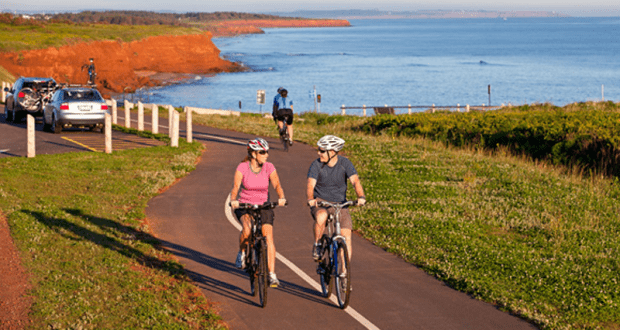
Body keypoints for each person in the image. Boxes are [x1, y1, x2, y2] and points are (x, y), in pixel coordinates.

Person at [230, 138, 287, 287]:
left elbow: (277, 184)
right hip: (245, 205)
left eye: (267, 152)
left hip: (264, 205)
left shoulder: (269, 167)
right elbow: (236, 186)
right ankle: (242, 253)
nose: (266, 155)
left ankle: (272, 275)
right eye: (263, 152)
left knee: (268, 237)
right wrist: (234, 200)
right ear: (254, 154)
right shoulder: (242, 167)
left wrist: (281, 197)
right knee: (247, 229)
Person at [306, 135, 366, 262]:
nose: (319, 153)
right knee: (321, 216)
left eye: (322, 151)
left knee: (346, 236)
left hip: (340, 204)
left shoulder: (345, 163)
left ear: (332, 152)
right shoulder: (316, 165)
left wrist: (361, 196)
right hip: (321, 202)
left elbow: (355, 181)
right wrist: (311, 199)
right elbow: (310, 184)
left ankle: (344, 273)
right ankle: (317, 244)